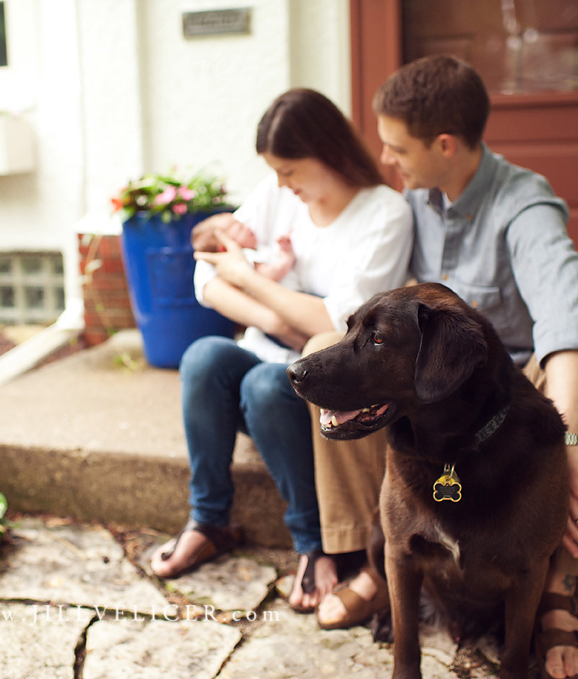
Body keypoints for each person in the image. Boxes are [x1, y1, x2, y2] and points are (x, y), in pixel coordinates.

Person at [308, 56, 578, 679]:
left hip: (507, 399)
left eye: (397, 147)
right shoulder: (408, 203)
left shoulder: (525, 207)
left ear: (444, 144)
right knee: (328, 351)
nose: (388, 161)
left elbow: (572, 321)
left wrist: (570, 438)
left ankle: (556, 582)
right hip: (427, 394)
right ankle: (371, 557)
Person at [148, 88, 414, 614]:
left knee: (267, 384)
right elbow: (206, 272)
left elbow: (339, 321)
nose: (279, 183)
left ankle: (314, 545)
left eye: (289, 170)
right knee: (204, 356)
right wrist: (274, 318)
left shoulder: (384, 215)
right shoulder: (280, 196)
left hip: (326, 383)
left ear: (329, 152)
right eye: (275, 171)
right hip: (271, 350)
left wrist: (248, 279)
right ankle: (209, 519)